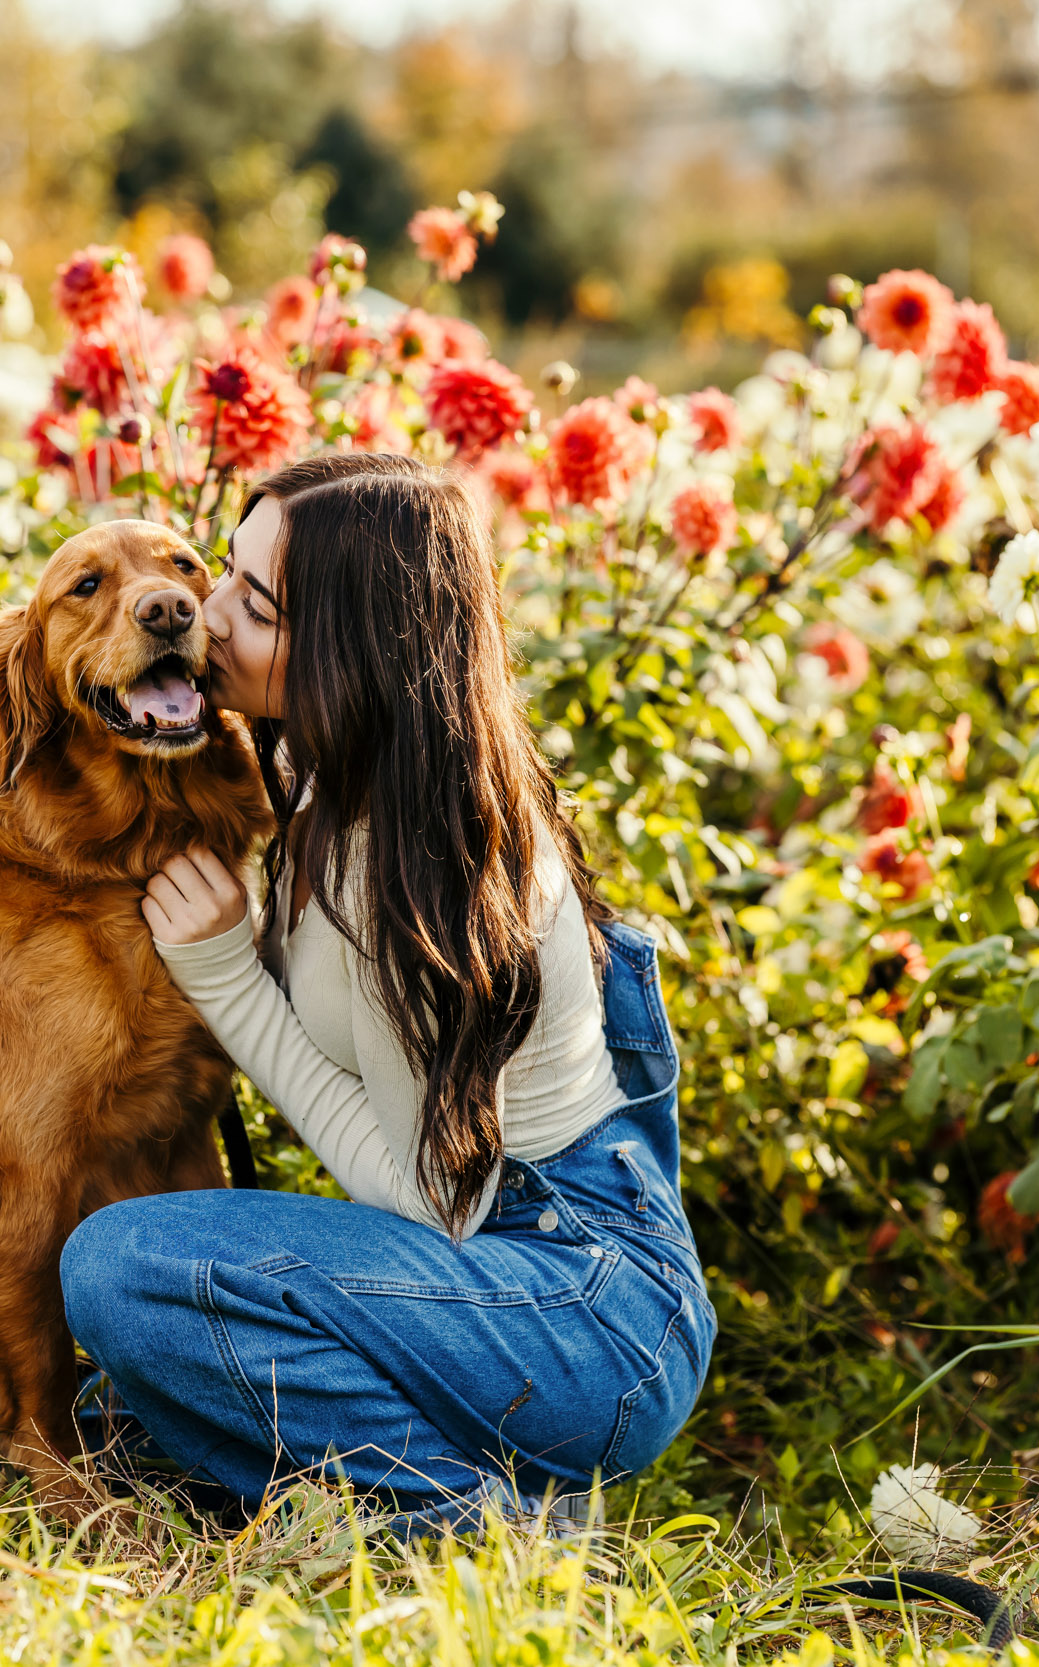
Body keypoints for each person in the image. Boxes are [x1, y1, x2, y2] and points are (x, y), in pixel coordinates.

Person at [56, 452, 714, 1533]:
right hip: (529, 1274)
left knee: (119, 1267)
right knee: (128, 1404)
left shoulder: (418, 859)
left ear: (345, 652)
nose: (207, 617)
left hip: (578, 1303)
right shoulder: (357, 768)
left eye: (254, 605)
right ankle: (490, 1468)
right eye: (226, 573)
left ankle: (483, 1522)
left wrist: (225, 974)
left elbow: (429, 1198)